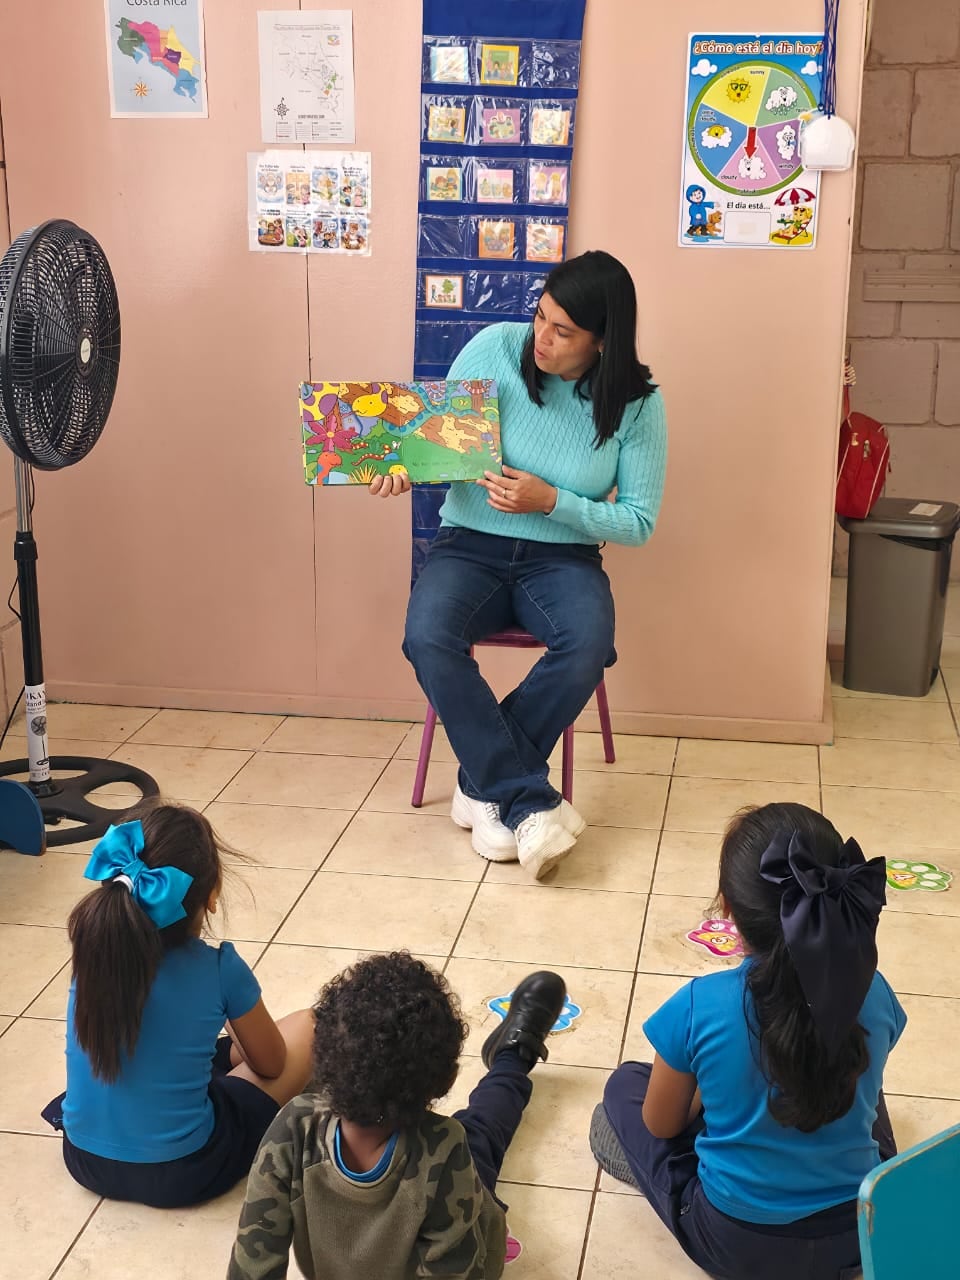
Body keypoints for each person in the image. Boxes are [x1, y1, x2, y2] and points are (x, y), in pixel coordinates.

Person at [370, 250, 667, 879]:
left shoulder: (637, 405)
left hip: (563, 560)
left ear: (603, 341)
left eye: (564, 332)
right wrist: (405, 468)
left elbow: (638, 521)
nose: (543, 339)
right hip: (468, 545)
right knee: (426, 636)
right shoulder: (493, 348)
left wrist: (553, 502)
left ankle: (482, 784)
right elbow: (436, 448)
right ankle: (527, 799)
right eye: (541, 318)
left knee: (589, 644)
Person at [589, 802, 905, 1280]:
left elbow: (660, 1123)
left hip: (738, 1246)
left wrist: (703, 1089)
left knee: (624, 1089)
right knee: (864, 1082)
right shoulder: (874, 989)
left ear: (729, 910)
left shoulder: (700, 1004)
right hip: (856, 1236)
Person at [42, 799, 315, 1208]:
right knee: (312, 1024)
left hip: (83, 1159)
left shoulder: (91, 958)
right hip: (184, 1171)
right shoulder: (220, 967)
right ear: (211, 896)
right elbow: (272, 1066)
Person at [228, 954, 566, 1279]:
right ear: (445, 1078)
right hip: (458, 1206)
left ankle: (513, 1054)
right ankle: (514, 1055)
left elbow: (253, 1264)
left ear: (321, 1060)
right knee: (484, 1126)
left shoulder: (294, 1125)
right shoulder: (444, 1145)